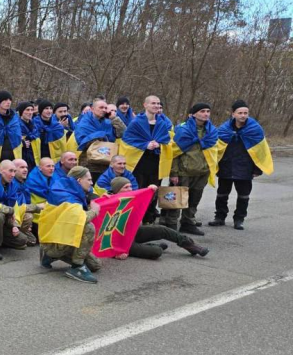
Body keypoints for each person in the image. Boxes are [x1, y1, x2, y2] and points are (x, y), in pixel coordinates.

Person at [106, 177, 208, 260]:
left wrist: (151, 191)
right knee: (156, 252)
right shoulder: (109, 204)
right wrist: (115, 253)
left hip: (133, 232)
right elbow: (104, 234)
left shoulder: (130, 198)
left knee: (162, 229)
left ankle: (190, 245)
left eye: (130, 186)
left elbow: (144, 203)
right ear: (117, 190)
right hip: (121, 241)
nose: (130, 189)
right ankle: (150, 246)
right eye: (126, 187)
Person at [209, 100, 273, 230]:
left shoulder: (255, 129)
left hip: (245, 168)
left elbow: (261, 151)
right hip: (226, 167)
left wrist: (257, 169)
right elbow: (215, 148)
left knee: (243, 196)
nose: (243, 115)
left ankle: (239, 219)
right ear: (233, 114)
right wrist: (215, 165)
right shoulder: (224, 129)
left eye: (245, 113)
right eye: (240, 113)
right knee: (222, 194)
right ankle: (219, 217)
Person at [39, 166, 102, 284]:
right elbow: (81, 219)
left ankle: (51, 256)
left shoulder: (72, 190)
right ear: (79, 181)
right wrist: (94, 211)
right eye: (89, 180)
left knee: (95, 265)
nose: (92, 183)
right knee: (88, 227)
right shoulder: (67, 196)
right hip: (55, 240)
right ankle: (76, 267)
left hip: (64, 238)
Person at [162, 103, 216, 234]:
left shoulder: (212, 131)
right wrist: (173, 173)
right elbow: (173, 153)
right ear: (194, 114)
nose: (206, 114)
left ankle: (188, 222)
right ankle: (171, 224)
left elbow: (214, 152)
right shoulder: (182, 130)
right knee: (176, 200)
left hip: (202, 172)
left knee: (194, 200)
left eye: (208, 111)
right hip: (183, 172)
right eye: (202, 111)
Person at [118, 95, 173, 224]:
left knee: (153, 192)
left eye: (158, 104)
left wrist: (160, 144)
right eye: (153, 103)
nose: (156, 106)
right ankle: (133, 221)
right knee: (138, 191)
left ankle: (149, 219)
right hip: (139, 163)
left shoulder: (162, 123)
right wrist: (145, 145)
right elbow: (127, 141)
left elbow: (168, 141)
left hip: (156, 163)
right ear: (145, 105)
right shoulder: (136, 122)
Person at [70, 98, 126, 180]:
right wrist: (101, 134)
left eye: (105, 108)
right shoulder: (84, 122)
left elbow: (123, 133)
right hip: (89, 163)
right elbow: (82, 141)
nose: (104, 110)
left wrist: (114, 119)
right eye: (101, 107)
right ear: (92, 109)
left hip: (106, 162)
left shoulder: (108, 122)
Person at [13, 158, 40, 245]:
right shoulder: (11, 184)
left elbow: (26, 202)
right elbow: (16, 207)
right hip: (12, 219)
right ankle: (9, 238)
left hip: (21, 214)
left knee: (33, 241)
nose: (25, 170)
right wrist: (38, 207)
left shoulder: (23, 183)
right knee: (28, 216)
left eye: (26, 167)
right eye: (21, 167)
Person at [17, 101, 38, 168]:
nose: (30, 112)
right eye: (27, 110)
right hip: (22, 158)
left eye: (32, 110)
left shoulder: (35, 125)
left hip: (34, 158)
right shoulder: (16, 126)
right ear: (21, 112)